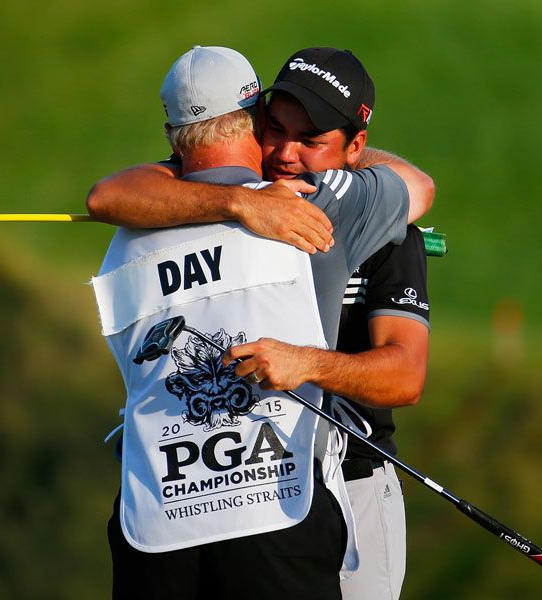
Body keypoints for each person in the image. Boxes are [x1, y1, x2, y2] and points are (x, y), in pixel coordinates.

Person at [88, 47, 433, 599]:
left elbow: (406, 375)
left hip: (352, 474)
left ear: (355, 148)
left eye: (312, 140)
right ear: (251, 122)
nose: (286, 153)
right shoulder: (175, 198)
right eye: (275, 128)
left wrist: (304, 363)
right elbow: (108, 195)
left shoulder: (333, 201)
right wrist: (242, 204)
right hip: (246, 503)